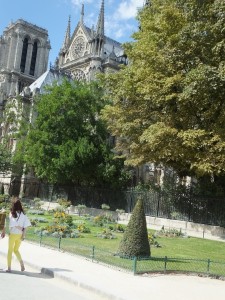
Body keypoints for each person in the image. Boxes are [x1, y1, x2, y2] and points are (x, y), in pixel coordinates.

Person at [6, 197, 31, 272]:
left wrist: (20, 228)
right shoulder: (23, 214)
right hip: (20, 235)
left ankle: (9, 268)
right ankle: (21, 263)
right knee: (16, 250)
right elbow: (26, 226)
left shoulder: (12, 213)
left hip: (13, 234)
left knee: (10, 250)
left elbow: (13, 224)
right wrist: (23, 234)